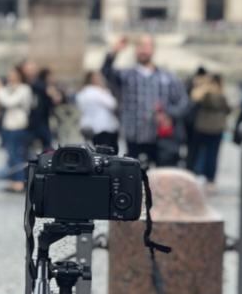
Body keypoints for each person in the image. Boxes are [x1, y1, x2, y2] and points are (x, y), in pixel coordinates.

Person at [101, 34, 188, 164]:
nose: (143, 50)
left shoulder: (168, 77)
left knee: (160, 178)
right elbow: (106, 72)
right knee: (133, 178)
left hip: (161, 137)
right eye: (140, 46)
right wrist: (114, 52)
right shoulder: (125, 75)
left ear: (153, 49)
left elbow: (183, 102)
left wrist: (169, 114)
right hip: (134, 136)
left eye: (147, 46)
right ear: (135, 49)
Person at [0, 65, 34, 193]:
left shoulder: (24, 89)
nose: (10, 76)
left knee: (17, 154)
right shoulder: (9, 88)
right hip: (8, 125)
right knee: (10, 155)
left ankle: (20, 181)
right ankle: (12, 181)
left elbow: (9, 102)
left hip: (18, 125)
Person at [188, 73, 231, 185]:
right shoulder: (221, 94)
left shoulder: (204, 92)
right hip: (217, 128)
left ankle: (198, 174)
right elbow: (228, 109)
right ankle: (210, 178)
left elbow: (194, 98)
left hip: (202, 126)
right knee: (213, 154)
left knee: (199, 152)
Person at [75, 71, 120, 154]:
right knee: (108, 153)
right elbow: (112, 104)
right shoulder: (98, 91)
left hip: (89, 126)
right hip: (104, 126)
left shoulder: (82, 92)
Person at [26, 63, 62, 154]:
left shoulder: (43, 85)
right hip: (37, 121)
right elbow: (53, 96)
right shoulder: (39, 85)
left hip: (43, 120)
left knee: (46, 145)